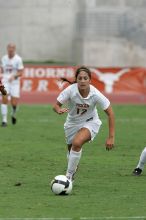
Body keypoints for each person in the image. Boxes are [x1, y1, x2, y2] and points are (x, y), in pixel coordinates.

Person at [53, 66, 115, 182]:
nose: (82, 81)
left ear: (90, 80)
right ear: (76, 79)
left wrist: (111, 137)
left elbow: (110, 113)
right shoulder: (70, 90)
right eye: (80, 78)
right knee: (71, 151)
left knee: (77, 143)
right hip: (72, 123)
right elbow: (56, 105)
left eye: (85, 78)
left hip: (90, 122)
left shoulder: (95, 94)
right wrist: (58, 110)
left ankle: (68, 177)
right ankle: (73, 169)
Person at [0, 43, 24, 127]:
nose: (11, 49)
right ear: (7, 49)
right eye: (9, 48)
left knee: (14, 103)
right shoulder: (4, 58)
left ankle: (13, 114)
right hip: (5, 81)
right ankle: (4, 121)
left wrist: (14, 76)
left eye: (12, 48)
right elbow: (2, 70)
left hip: (15, 83)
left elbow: (21, 72)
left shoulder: (18, 59)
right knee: (4, 98)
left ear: (15, 49)